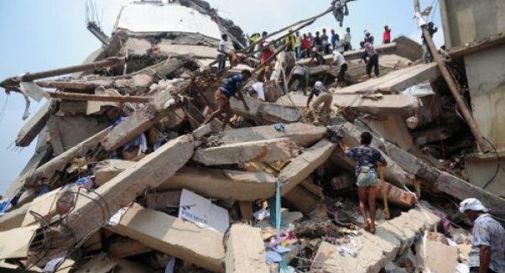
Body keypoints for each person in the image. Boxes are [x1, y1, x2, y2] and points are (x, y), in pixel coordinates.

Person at [344, 132, 387, 234]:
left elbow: (347, 153)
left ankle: (365, 221)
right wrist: (377, 163)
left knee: (362, 201)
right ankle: (372, 226)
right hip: (372, 175)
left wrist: (346, 148)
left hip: (362, 175)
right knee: (372, 202)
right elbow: (384, 163)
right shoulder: (375, 151)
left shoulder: (356, 149)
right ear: (370, 141)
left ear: (361, 139)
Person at [460, 198, 505, 273]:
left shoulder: (480, 223)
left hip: (483, 267)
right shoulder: (497, 225)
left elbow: (484, 249)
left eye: (467, 213)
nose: (467, 216)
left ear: (473, 211)